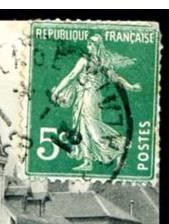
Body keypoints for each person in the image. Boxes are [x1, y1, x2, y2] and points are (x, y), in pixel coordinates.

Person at [50, 34, 142, 172]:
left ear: (97, 46)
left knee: (93, 130)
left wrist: (56, 91)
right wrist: (131, 86)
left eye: (91, 44)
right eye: (88, 44)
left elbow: (71, 76)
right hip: (87, 97)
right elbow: (116, 78)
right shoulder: (100, 63)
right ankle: (88, 161)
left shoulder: (89, 61)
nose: (89, 47)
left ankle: (120, 146)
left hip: (89, 97)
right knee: (82, 128)